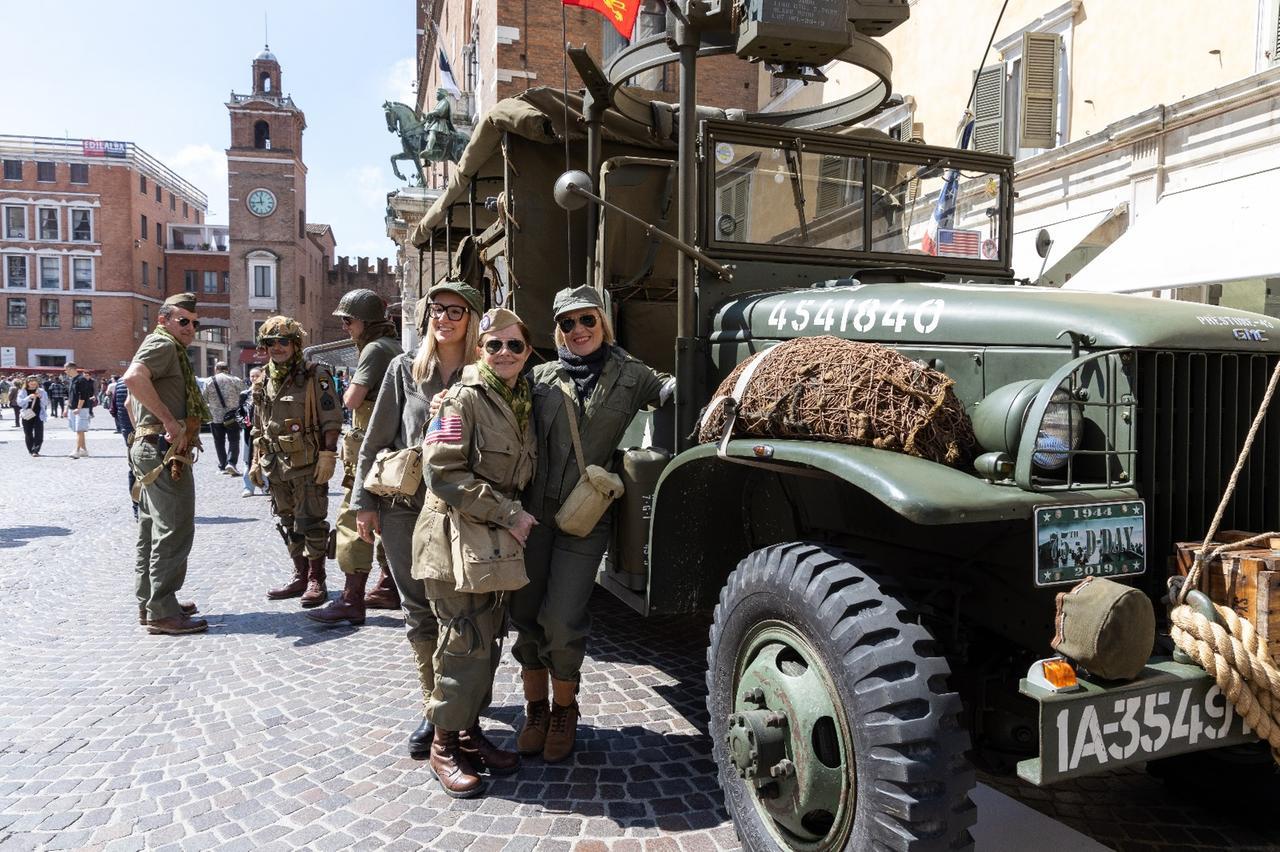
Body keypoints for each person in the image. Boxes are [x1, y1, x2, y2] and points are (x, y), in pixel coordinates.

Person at [510, 285, 674, 763]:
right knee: (524, 615)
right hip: (532, 517)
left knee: (562, 619)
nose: (578, 330)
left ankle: (564, 710)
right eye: (567, 323)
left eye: (587, 320)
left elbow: (671, 390)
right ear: (557, 331)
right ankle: (535, 709)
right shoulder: (538, 376)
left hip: (585, 518)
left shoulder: (632, 374)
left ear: (603, 322)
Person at [351, 281, 481, 754]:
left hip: (462, 511)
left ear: (471, 319)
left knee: (464, 612)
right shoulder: (404, 369)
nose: (443, 319)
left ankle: (463, 711)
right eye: (436, 310)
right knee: (419, 609)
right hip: (406, 507)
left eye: (456, 311)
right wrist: (362, 502)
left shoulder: (484, 371)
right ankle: (434, 709)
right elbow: (375, 436)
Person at [413, 306, 537, 798]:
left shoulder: (523, 396)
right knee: (463, 642)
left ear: (528, 352)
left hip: (491, 546)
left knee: (486, 643)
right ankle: (443, 745)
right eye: (493, 345)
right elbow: (442, 473)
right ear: (479, 350)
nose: (503, 353)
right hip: (454, 540)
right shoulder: (461, 400)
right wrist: (510, 514)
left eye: (514, 345)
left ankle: (468, 733)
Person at [309, 290, 404, 626]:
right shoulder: (394, 346)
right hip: (392, 451)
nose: (346, 327)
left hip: (370, 447)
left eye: (348, 320)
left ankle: (351, 599)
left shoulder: (375, 349)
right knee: (390, 520)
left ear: (367, 321)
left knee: (354, 519)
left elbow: (351, 400)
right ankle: (388, 585)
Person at [121, 292, 208, 635]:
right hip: (163, 449)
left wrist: (146, 430)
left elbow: (130, 401)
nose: (189, 327)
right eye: (182, 320)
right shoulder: (163, 345)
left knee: (152, 527)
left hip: (150, 445)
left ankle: (153, 603)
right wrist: (169, 423)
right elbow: (132, 380)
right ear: (164, 320)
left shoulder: (164, 346)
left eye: (194, 322)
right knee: (175, 527)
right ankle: (161, 609)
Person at [249, 316, 343, 607]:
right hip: (274, 464)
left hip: (307, 462)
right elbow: (257, 425)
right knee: (287, 520)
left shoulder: (316, 375)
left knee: (312, 521)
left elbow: (332, 419)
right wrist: (255, 460)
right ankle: (300, 575)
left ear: (296, 344)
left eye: (283, 342)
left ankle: (317, 579)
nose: (277, 347)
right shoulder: (263, 379)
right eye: (270, 343)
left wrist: (328, 454)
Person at [201, 362, 245, 475]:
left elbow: (203, 398)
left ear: (216, 369)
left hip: (215, 417)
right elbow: (244, 395)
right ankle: (231, 463)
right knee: (234, 440)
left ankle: (223, 465)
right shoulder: (235, 380)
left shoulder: (209, 381)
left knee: (219, 442)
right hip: (232, 416)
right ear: (228, 369)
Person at [110, 373, 139, 518]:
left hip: (127, 432)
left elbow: (113, 409)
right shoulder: (138, 378)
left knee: (134, 467)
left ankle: (136, 505)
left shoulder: (120, 382)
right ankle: (140, 506)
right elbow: (128, 404)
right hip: (139, 430)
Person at [240, 367, 263, 497]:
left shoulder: (268, 392)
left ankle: (266, 486)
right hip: (249, 431)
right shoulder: (245, 394)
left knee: (266, 457)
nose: (254, 378)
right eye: (252, 376)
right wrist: (244, 421)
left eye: (257, 376)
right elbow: (239, 413)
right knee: (248, 459)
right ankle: (248, 487)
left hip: (264, 431)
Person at [65, 362, 95, 458]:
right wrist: (66, 409)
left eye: (66, 369)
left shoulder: (81, 380)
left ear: (71, 369)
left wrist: (79, 408)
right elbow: (70, 395)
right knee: (79, 430)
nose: (65, 372)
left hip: (81, 409)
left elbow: (83, 395)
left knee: (79, 430)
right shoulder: (72, 380)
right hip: (73, 408)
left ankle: (77, 451)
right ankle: (84, 450)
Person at [17, 376, 50, 456]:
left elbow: (46, 403)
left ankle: (36, 450)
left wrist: (41, 397)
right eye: (31, 382)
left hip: (39, 414)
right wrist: (28, 397)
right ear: (27, 382)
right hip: (27, 414)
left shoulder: (41, 391)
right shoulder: (23, 391)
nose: (33, 383)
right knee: (28, 433)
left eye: (35, 382)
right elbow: (19, 402)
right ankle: (30, 450)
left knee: (39, 433)